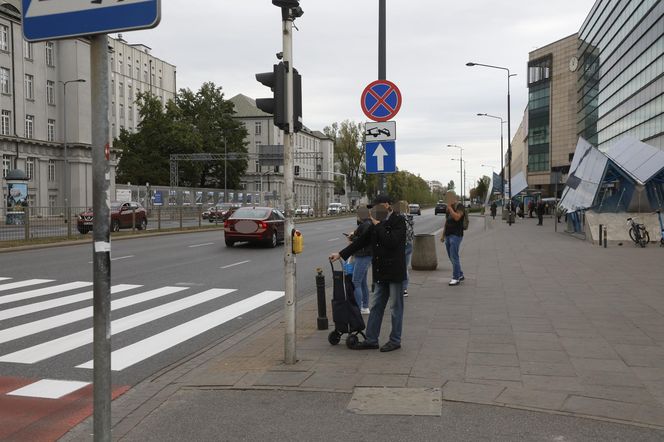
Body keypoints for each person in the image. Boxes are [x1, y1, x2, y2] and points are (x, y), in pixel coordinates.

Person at [329, 194, 406, 352]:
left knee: (395, 307)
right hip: (381, 272)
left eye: (376, 207)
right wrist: (341, 254)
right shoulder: (374, 224)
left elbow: (391, 242)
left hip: (394, 272)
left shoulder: (398, 220)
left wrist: (378, 225)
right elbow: (361, 242)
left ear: (386, 205)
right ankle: (371, 339)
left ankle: (395, 340)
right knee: (376, 305)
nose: (373, 211)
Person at [348, 206, 372, 314]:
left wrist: (352, 238)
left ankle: (356, 309)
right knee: (362, 282)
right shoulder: (367, 224)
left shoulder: (365, 225)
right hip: (365, 255)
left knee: (356, 282)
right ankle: (365, 306)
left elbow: (362, 241)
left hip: (363, 255)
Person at [443, 193, 465, 286]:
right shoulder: (448, 208)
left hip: (456, 235)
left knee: (454, 256)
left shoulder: (460, 206)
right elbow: (446, 221)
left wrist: (450, 208)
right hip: (448, 235)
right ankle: (460, 274)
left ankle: (455, 278)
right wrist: (442, 235)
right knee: (450, 256)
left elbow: (457, 217)